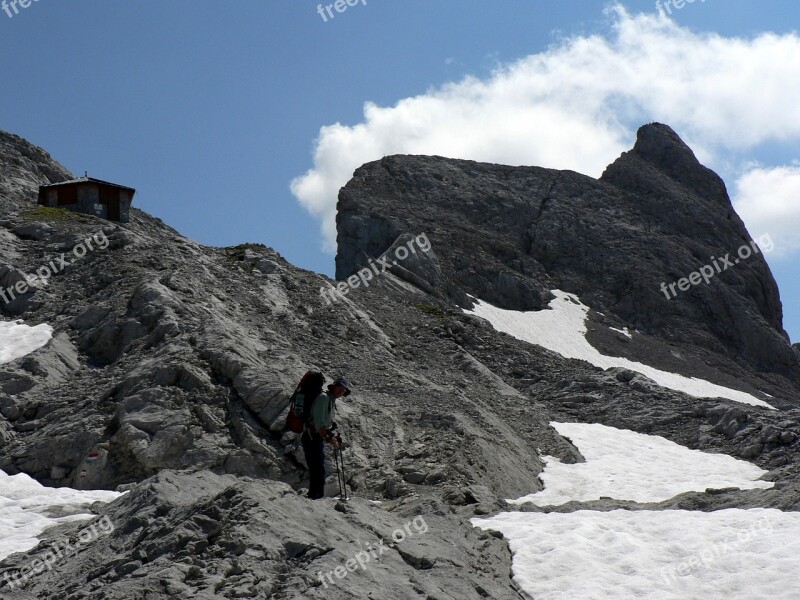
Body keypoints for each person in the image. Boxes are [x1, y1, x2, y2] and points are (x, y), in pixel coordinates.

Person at [301, 376, 352, 500]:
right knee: (318, 469)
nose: (341, 391)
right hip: (312, 436)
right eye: (339, 388)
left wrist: (331, 435)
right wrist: (330, 438)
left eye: (343, 390)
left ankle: (315, 497)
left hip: (315, 437)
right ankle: (315, 498)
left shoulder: (330, 399)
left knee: (318, 469)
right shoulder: (324, 398)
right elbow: (319, 423)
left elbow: (323, 423)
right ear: (334, 386)